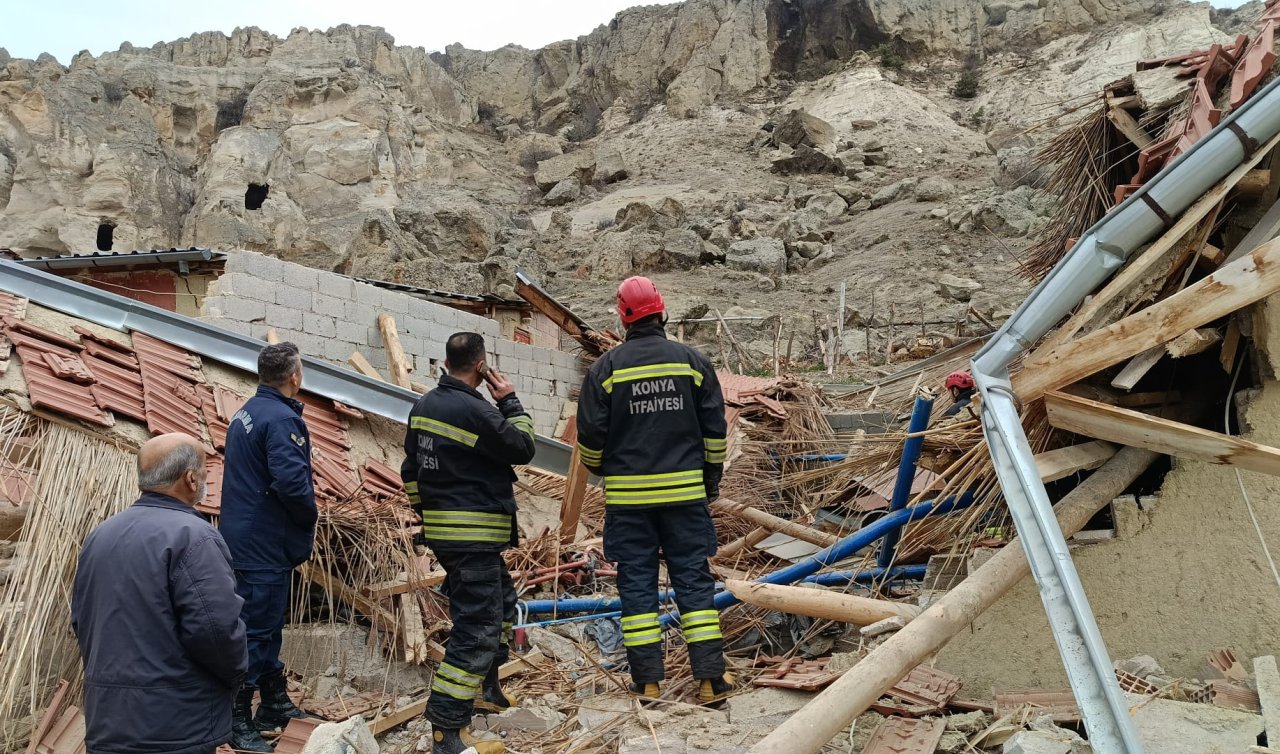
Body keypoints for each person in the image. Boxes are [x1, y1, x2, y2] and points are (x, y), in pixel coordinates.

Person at [575, 276, 735, 705]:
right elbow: (714, 434)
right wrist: (709, 480)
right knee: (694, 587)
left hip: (629, 504)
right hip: (685, 498)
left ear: (623, 317)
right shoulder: (692, 362)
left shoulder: (604, 370)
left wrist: (605, 471)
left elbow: (589, 440)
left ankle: (647, 682)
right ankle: (710, 681)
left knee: (637, 590)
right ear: (661, 311)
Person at [401, 332, 537, 754]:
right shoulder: (476, 410)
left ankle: (485, 690)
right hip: (473, 537)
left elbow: (410, 469)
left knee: (501, 606)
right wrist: (510, 401)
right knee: (477, 629)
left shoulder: (423, 406)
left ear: (446, 360)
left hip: (451, 535)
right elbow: (523, 446)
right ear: (481, 366)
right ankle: (446, 728)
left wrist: (430, 513)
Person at [72, 433, 247, 754]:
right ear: (191, 478)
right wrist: (236, 676)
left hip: (108, 720)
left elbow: (81, 623)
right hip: (175, 726)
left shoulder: (101, 536)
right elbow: (217, 631)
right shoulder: (196, 537)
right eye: (205, 470)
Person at [220, 342, 316, 752]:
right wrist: (308, 517)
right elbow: (292, 483)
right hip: (262, 542)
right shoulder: (279, 419)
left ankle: (273, 702)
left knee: (267, 622)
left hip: (246, 535)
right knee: (257, 628)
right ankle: (237, 717)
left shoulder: (249, 410)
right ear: (294, 376)